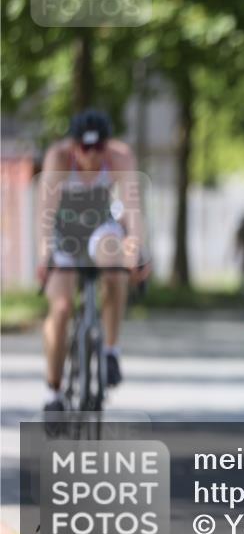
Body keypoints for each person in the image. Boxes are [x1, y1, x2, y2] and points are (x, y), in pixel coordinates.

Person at [36, 109, 148, 412]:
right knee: (60, 309)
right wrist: (44, 256)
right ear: (74, 146)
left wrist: (136, 252)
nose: (93, 155)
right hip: (65, 233)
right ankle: (53, 391)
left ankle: (111, 351)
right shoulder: (58, 159)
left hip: (101, 227)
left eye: (99, 147)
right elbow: (45, 214)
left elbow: (133, 210)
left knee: (114, 268)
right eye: (85, 148)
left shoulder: (120, 157)